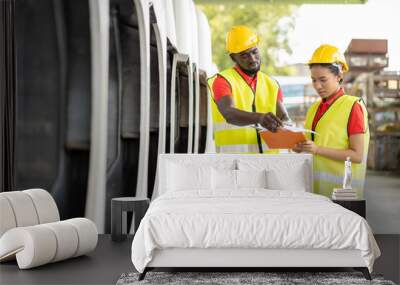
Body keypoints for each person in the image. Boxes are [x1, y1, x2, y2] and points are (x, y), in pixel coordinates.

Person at [293, 44, 369, 198]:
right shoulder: (314, 109)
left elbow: (357, 155)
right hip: (316, 193)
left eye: (323, 80)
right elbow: (312, 147)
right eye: (313, 80)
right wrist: (299, 147)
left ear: (339, 76)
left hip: (344, 196)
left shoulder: (353, 106)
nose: (317, 86)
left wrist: (317, 149)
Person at [207, 25, 291, 154]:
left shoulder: (272, 84)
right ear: (233, 58)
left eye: (254, 52)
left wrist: (287, 128)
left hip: (269, 163)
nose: (252, 59)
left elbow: (283, 117)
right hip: (234, 164)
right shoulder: (223, 80)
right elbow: (229, 113)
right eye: (244, 55)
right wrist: (260, 118)